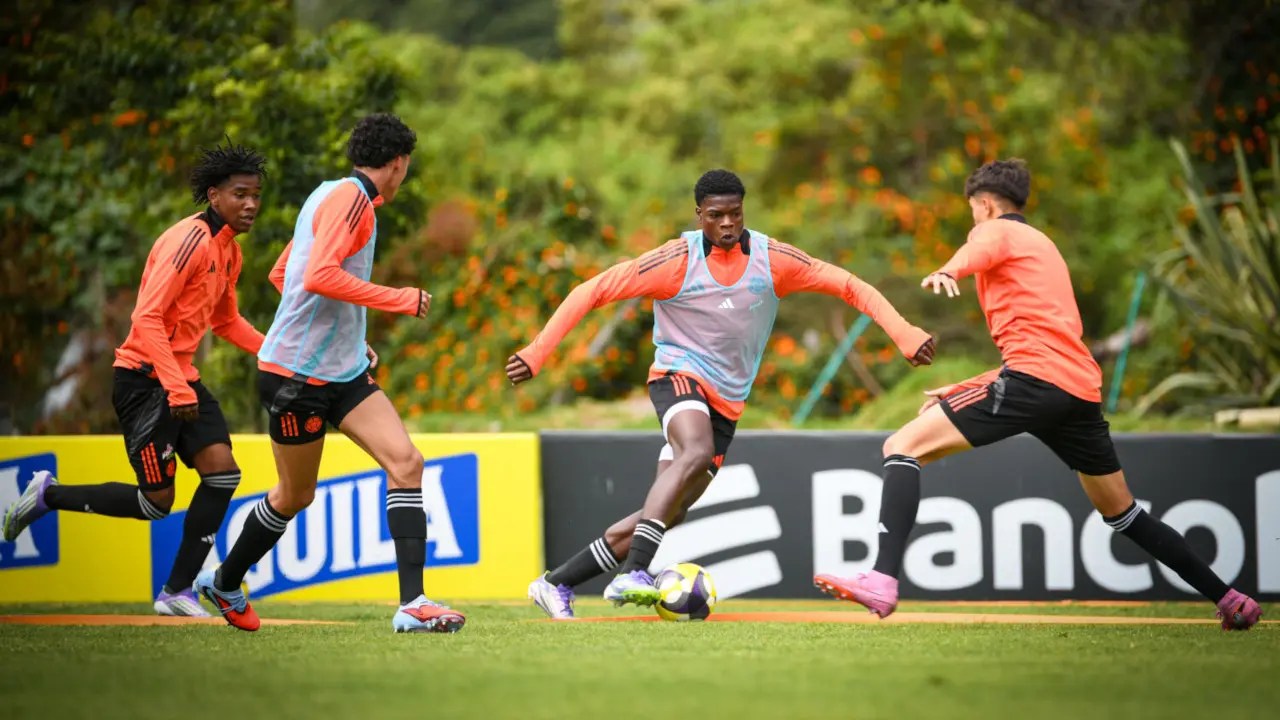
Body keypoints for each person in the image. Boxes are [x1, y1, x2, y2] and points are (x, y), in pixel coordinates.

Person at [813, 158, 1263, 631]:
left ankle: (881, 579)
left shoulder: (996, 231)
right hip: (1077, 391)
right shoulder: (1043, 245)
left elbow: (985, 248)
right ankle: (1231, 599)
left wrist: (951, 269)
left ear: (984, 204)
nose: (974, 221)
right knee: (1124, 513)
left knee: (900, 447)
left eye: (972, 211)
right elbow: (1044, 350)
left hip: (1035, 382)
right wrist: (970, 386)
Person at [511, 169, 936, 619]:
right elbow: (592, 290)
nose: (728, 224)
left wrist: (904, 333)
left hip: (727, 404)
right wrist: (538, 353)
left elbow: (850, 285)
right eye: (716, 216)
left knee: (668, 513)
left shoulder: (774, 260)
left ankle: (554, 583)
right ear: (699, 216)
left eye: (735, 213)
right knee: (696, 450)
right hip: (677, 377)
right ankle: (635, 571)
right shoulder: (675, 261)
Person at [193, 113, 465, 634]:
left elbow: (284, 273)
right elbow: (319, 276)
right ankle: (225, 580)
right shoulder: (351, 201)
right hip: (293, 378)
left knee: (406, 462)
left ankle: (413, 603)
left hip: (341, 373)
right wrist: (399, 299)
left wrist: (345, 337)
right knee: (295, 495)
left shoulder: (328, 193)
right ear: (399, 163)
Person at [2, 140, 268, 617]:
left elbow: (226, 322)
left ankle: (176, 593)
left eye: (255, 195)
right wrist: (176, 386)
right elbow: (145, 318)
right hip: (144, 383)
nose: (250, 204)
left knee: (223, 473)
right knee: (155, 503)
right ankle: (48, 493)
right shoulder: (185, 241)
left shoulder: (230, 254)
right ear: (214, 196)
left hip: (180, 379)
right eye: (240, 194)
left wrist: (282, 353)